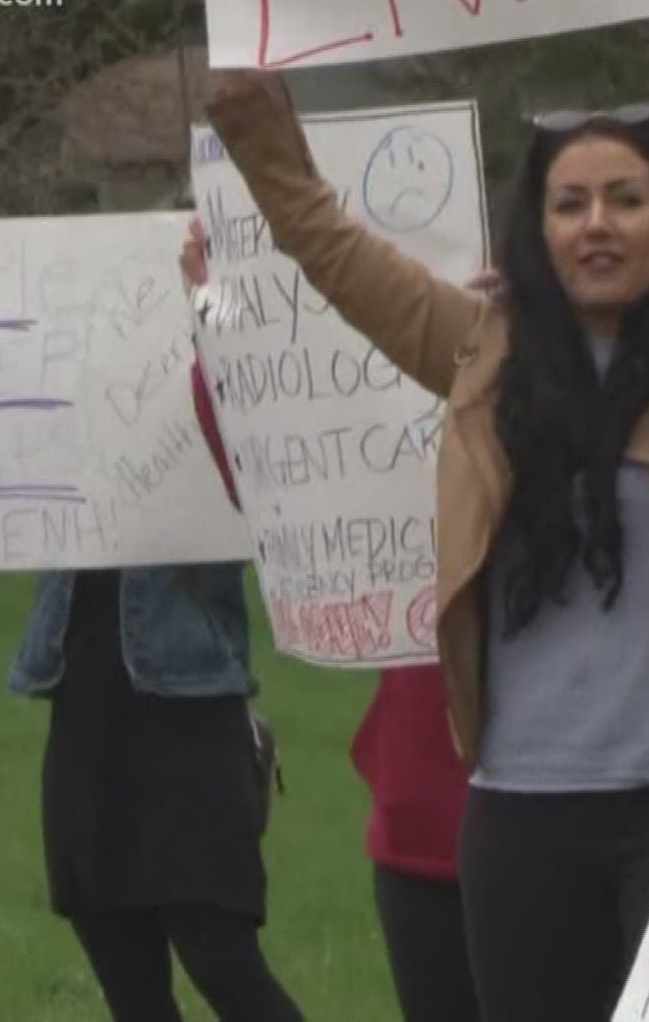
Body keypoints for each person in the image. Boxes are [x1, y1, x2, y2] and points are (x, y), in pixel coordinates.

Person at [169, 0, 649, 1015]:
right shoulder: (480, 353)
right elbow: (316, 232)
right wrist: (236, 26)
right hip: (518, 814)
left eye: (627, 199)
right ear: (535, 232)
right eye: (569, 203)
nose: (597, 224)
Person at [180, 216, 479, 1022]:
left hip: (553, 825)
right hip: (420, 821)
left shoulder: (558, 407)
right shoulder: (384, 463)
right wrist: (219, 315)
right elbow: (271, 474)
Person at [10, 319, 303, 1019]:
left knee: (222, 958)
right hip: (84, 719)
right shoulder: (77, 394)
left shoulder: (226, 390)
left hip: (189, 721)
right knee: (128, 981)